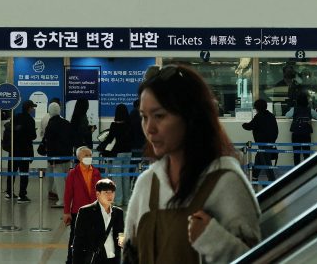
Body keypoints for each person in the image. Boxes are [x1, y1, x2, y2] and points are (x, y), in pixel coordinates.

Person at [122, 64, 260, 264]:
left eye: (159, 116)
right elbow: (130, 255)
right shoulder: (147, 184)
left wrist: (215, 241)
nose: (149, 128)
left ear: (190, 117)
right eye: (144, 117)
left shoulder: (226, 183)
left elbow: (257, 257)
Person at [70, 178, 126, 264]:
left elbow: (120, 232)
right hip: (95, 258)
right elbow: (78, 240)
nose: (109, 195)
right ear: (98, 194)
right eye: (106, 192)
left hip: (113, 258)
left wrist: (122, 241)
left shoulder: (118, 212)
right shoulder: (86, 211)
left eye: (112, 192)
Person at [96, 104, 133, 205]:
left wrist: (102, 147)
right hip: (128, 153)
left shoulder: (115, 125)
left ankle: (118, 200)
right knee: (126, 176)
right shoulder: (130, 124)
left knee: (117, 176)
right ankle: (127, 199)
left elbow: (109, 139)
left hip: (118, 153)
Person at [43, 101, 75, 205]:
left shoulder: (51, 124)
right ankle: (69, 199)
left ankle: (62, 200)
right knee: (66, 179)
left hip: (56, 157)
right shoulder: (66, 123)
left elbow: (49, 143)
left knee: (59, 180)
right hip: (67, 155)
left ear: (50, 111)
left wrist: (51, 159)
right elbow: (71, 139)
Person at [6, 100, 38, 202]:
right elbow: (32, 136)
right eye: (32, 107)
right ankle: (22, 195)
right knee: (24, 173)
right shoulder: (30, 120)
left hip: (13, 149)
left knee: (11, 172)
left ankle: (9, 192)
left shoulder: (16, 117)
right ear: (29, 108)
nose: (33, 109)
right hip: (25, 150)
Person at [241, 99, 279, 183]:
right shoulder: (271, 116)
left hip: (262, 143)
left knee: (266, 163)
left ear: (257, 107)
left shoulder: (258, 116)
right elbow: (276, 130)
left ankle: (272, 180)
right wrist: (273, 141)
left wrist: (243, 124)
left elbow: (250, 126)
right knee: (259, 158)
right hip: (270, 142)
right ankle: (254, 176)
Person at [286, 90, 317, 165]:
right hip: (306, 133)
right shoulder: (310, 110)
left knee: (296, 154)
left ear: (297, 101)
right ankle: (306, 169)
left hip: (296, 134)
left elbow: (287, 115)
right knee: (306, 153)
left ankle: (296, 170)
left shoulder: (294, 109)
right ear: (306, 101)